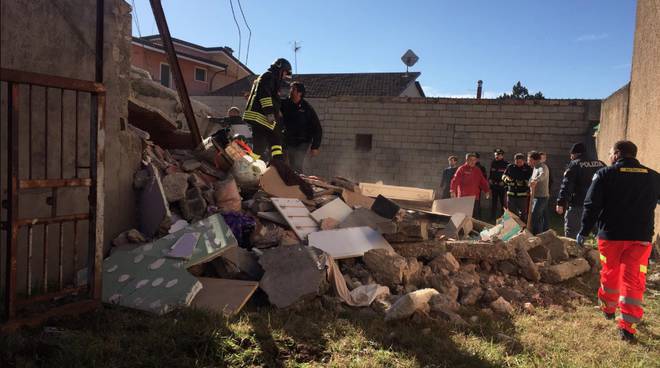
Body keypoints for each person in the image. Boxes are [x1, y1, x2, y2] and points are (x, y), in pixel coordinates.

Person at [577, 141, 659, 342]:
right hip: (640, 238)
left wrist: (584, 231)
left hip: (611, 236)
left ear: (618, 154)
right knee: (634, 281)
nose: (610, 156)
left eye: (610, 152)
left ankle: (608, 309)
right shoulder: (654, 177)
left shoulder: (605, 174)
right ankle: (627, 328)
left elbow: (591, 205)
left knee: (610, 273)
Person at [243, 58, 292, 161]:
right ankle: (246, 165)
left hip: (264, 118)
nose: (284, 76)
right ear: (280, 69)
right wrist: (270, 113)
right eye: (284, 73)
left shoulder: (272, 78)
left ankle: (278, 163)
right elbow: (264, 95)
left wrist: (277, 113)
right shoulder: (268, 76)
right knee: (260, 147)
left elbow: (273, 99)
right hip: (260, 117)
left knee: (276, 140)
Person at [556, 142, 605, 238]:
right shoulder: (601, 164)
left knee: (572, 233)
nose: (571, 157)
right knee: (600, 233)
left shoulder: (574, 165)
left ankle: (573, 253)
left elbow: (567, 185)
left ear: (575, 154)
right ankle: (600, 252)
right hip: (598, 205)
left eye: (571, 155)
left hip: (578, 204)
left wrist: (561, 202)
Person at [281, 82, 322, 174]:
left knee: (296, 164)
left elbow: (317, 128)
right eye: (291, 88)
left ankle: (298, 184)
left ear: (300, 93)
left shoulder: (307, 108)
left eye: (293, 89)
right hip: (288, 140)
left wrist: (315, 146)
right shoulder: (284, 104)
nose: (290, 91)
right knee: (283, 163)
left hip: (303, 141)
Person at [450, 153, 490, 218]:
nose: (473, 162)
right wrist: (452, 190)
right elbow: (455, 180)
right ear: (467, 160)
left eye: (474, 160)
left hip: (475, 198)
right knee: (463, 217)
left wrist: (487, 190)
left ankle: (474, 228)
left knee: (474, 217)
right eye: (471, 160)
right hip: (464, 198)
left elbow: (482, 181)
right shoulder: (461, 169)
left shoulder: (477, 170)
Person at [502, 153, 533, 222]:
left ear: (523, 161)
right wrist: (506, 179)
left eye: (520, 162)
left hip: (522, 195)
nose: (518, 163)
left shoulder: (528, 168)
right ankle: (512, 228)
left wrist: (523, 182)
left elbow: (531, 179)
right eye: (517, 162)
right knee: (511, 213)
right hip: (511, 194)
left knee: (523, 214)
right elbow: (503, 176)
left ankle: (522, 228)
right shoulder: (510, 167)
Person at [528, 151, 550, 234]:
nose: (528, 161)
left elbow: (542, 175)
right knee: (538, 217)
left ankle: (537, 236)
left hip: (542, 197)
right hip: (535, 197)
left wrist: (535, 180)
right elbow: (531, 179)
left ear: (533, 159)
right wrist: (530, 183)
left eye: (528, 159)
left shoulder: (542, 167)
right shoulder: (535, 168)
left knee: (535, 216)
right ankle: (539, 235)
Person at [489, 148, 509, 220]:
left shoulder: (506, 164)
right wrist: (490, 180)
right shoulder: (493, 163)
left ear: (502, 156)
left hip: (502, 187)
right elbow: (491, 173)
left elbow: (508, 176)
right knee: (494, 203)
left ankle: (504, 218)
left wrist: (503, 182)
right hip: (494, 186)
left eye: (498, 155)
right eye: (495, 155)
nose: (496, 156)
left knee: (503, 204)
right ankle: (492, 217)